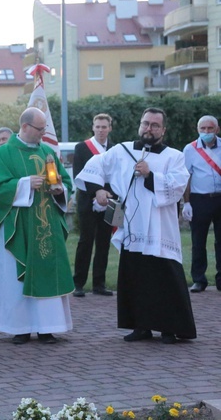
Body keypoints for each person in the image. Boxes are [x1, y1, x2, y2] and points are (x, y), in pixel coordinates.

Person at [75, 107, 195, 344]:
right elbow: (94, 166)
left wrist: (151, 175)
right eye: (145, 123)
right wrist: (98, 188)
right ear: (140, 125)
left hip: (161, 228)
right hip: (132, 226)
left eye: (154, 125)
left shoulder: (174, 155)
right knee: (136, 276)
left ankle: (169, 328)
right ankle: (141, 326)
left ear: (163, 129)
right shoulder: (122, 151)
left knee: (165, 278)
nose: (149, 128)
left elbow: (178, 187)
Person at [0, 107, 74, 345]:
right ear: (24, 127)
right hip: (18, 225)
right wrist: (24, 184)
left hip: (47, 224)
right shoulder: (3, 154)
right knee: (16, 276)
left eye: (44, 128)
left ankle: (48, 327)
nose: (44, 133)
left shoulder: (47, 152)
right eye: (40, 129)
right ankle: (20, 327)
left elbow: (65, 180)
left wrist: (59, 190)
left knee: (48, 271)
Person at [71, 114, 115, 297]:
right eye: (97, 127)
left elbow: (116, 174)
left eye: (104, 127)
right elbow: (78, 174)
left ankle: (99, 284)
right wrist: (96, 193)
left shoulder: (115, 149)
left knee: (104, 243)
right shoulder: (82, 148)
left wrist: (107, 195)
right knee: (86, 242)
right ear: (93, 127)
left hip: (110, 201)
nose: (101, 130)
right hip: (88, 201)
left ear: (110, 128)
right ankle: (78, 283)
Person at [182, 115, 221, 293]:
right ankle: (199, 279)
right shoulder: (190, 150)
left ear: (217, 129)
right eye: (202, 129)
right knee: (198, 241)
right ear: (198, 130)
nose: (206, 132)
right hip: (199, 200)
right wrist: (187, 203)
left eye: (210, 129)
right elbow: (186, 178)